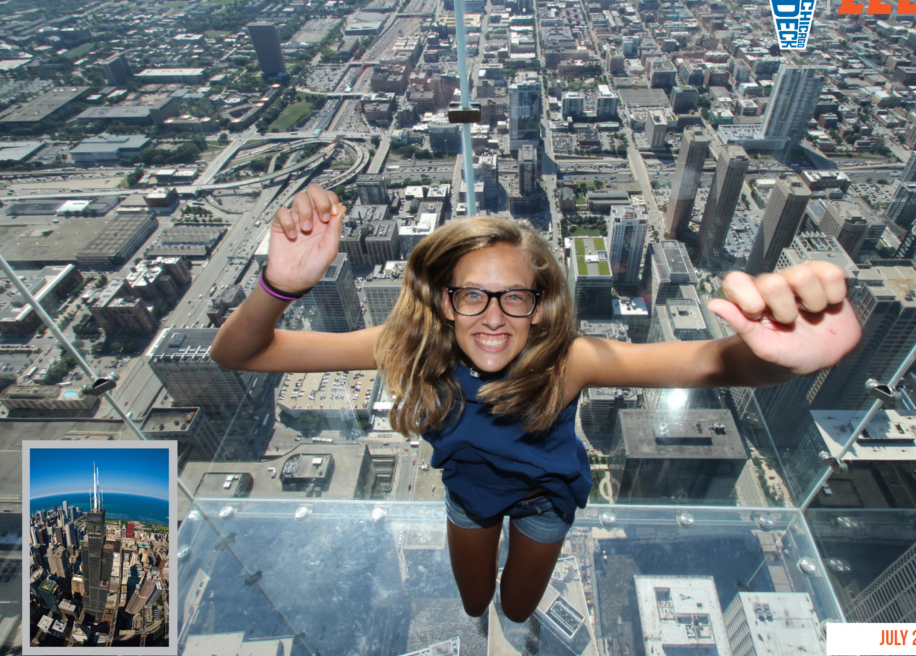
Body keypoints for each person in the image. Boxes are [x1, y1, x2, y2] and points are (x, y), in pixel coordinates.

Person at [211, 184, 862, 623]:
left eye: (514, 297)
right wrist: (278, 284)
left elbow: (707, 362)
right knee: (472, 604)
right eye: (472, 295)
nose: (494, 317)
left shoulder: (566, 358)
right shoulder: (406, 343)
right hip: (469, 496)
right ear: (444, 302)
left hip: (545, 503)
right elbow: (240, 354)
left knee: (517, 609)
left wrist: (776, 358)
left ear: (540, 305)